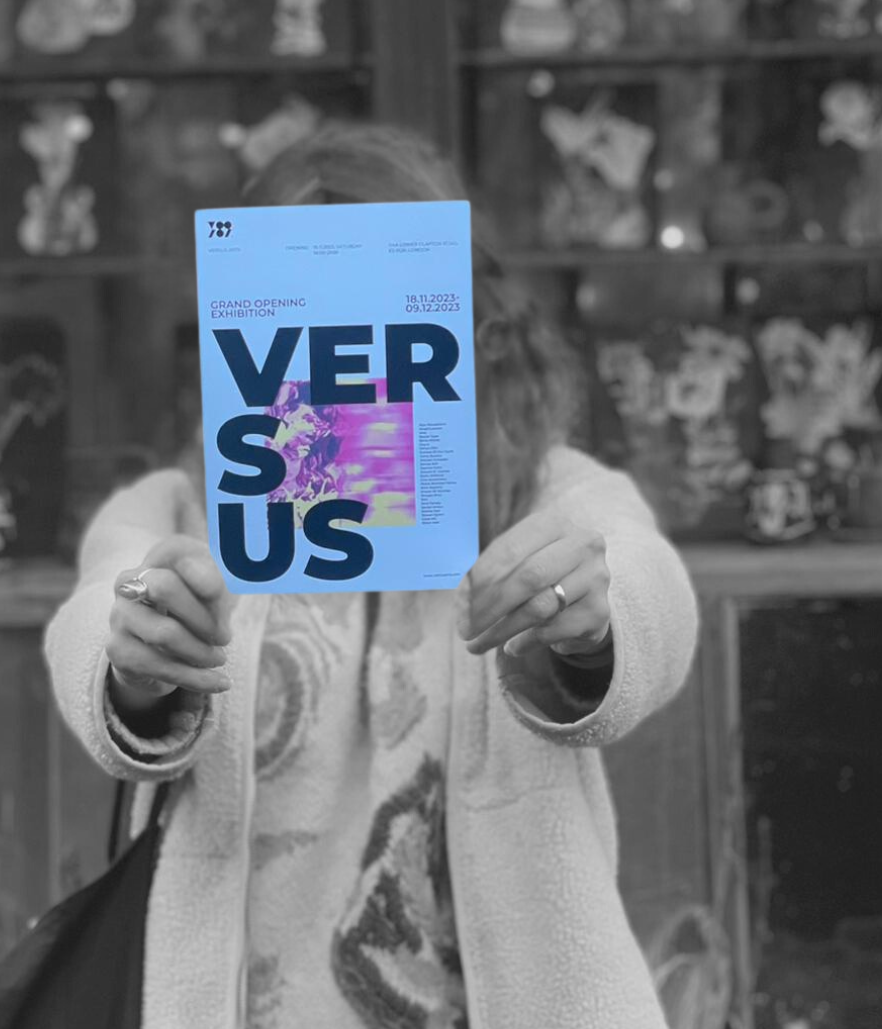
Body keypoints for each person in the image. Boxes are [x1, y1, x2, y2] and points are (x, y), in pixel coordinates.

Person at [44, 122, 699, 1029]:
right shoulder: (183, 514)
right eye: (296, 308)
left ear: (465, 323)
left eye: (374, 304)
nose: (337, 346)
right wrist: (136, 664)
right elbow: (97, 612)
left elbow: (646, 582)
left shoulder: (544, 496)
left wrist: (593, 621)